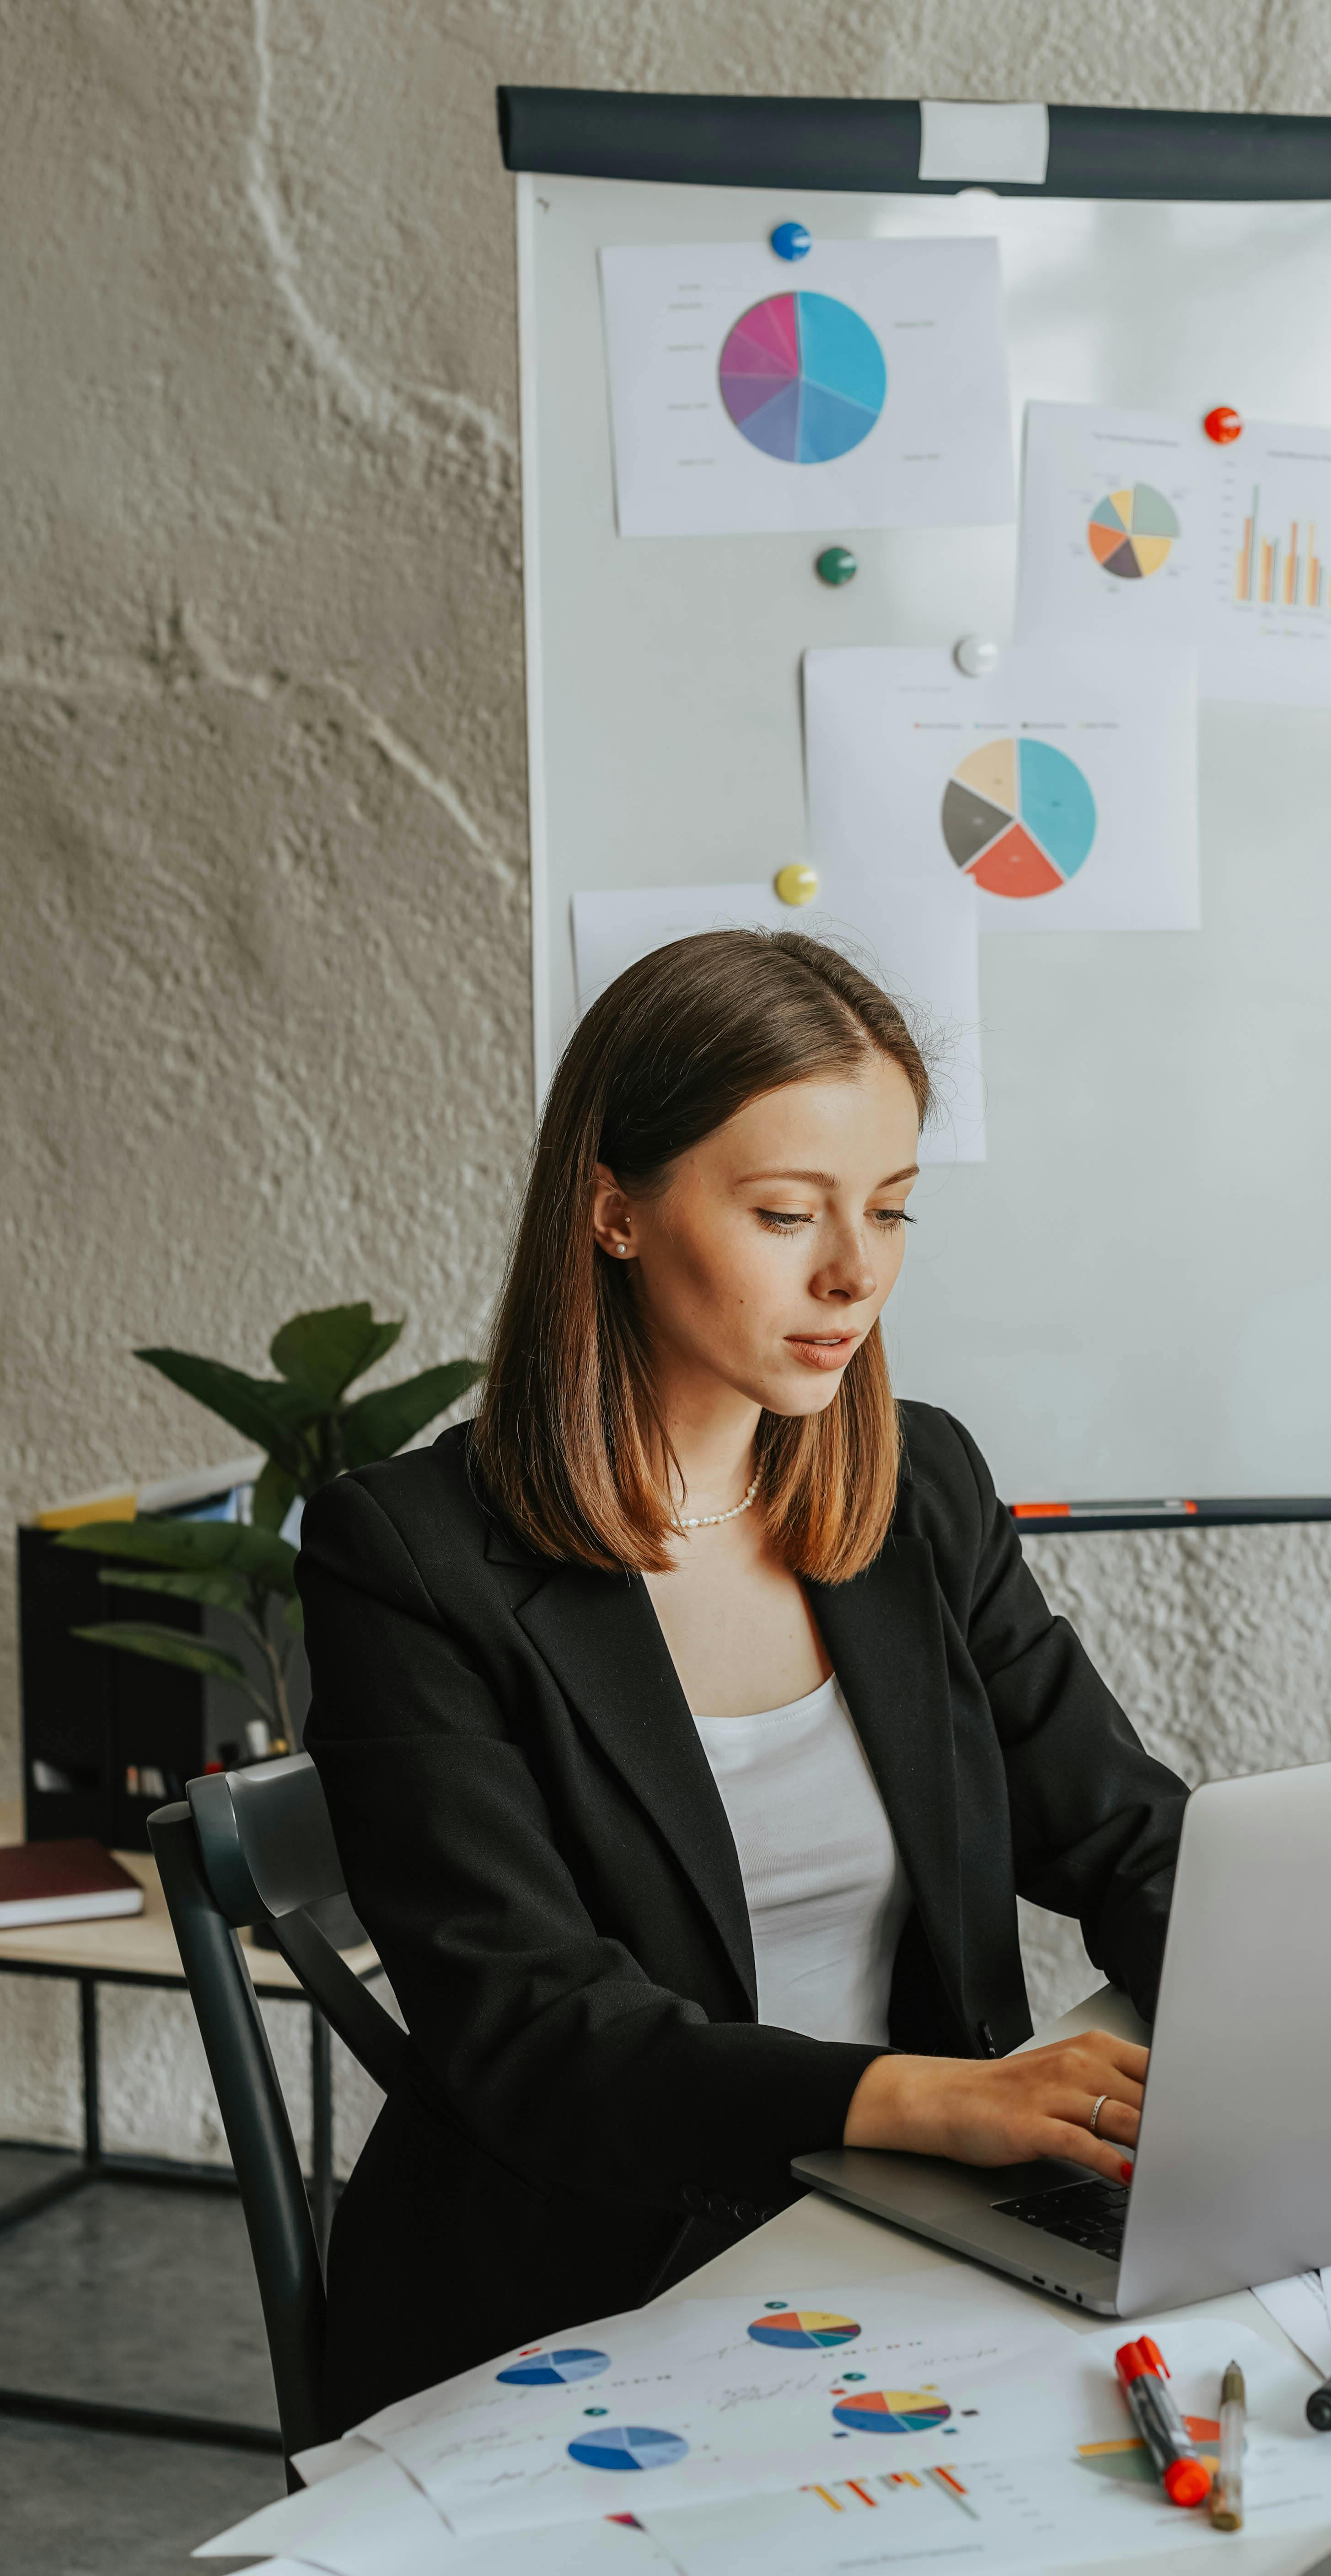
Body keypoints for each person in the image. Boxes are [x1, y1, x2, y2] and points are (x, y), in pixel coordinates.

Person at [300, 930, 1188, 2429]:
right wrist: (923, 2099)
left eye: (893, 1212)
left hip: (909, 2247)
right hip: (583, 2293)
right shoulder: (410, 1553)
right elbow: (533, 2028)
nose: (856, 1275)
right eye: (788, 1213)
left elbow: (1118, 1832)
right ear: (614, 1211)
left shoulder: (920, 1488)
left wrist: (1305, 2009)